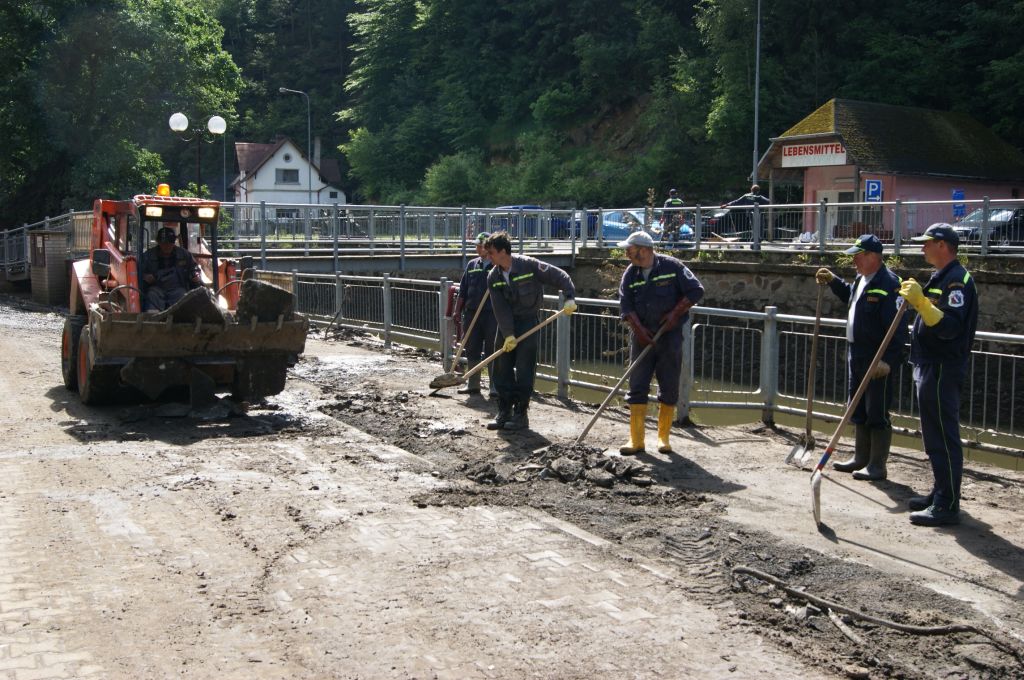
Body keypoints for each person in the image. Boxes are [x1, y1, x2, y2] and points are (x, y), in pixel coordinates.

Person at [900, 223, 978, 527]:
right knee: (933, 434)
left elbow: (950, 327)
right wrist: (918, 303)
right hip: (930, 363)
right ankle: (941, 491)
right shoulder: (942, 277)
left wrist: (921, 303)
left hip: (944, 365)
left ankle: (948, 504)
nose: (922, 248)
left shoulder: (957, 281)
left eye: (927, 243)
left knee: (944, 435)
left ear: (943, 245)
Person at [815, 234, 906, 480]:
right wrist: (833, 281)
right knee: (857, 406)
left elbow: (898, 328)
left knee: (877, 409)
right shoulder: (861, 278)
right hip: (857, 353)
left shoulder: (890, 284)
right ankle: (861, 458)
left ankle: (877, 465)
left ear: (873, 256)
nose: (854, 260)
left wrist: (888, 360)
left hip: (877, 356)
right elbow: (851, 298)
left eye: (858, 255)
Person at [617, 231, 704, 455]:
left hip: (669, 336)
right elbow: (625, 305)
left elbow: (696, 291)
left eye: (630, 249)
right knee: (637, 384)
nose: (626, 253)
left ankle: (663, 438)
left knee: (669, 384)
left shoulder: (672, 267)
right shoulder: (630, 274)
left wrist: (676, 313)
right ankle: (636, 440)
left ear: (644, 250)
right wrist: (639, 330)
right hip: (642, 337)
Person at [483, 231, 577, 431]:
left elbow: (560, 276)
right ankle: (504, 411)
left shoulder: (529, 265)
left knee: (525, 369)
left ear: (502, 251)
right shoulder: (493, 276)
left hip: (528, 322)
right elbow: (500, 308)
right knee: (502, 367)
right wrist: (508, 334)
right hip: (507, 324)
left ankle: (520, 415)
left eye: (490, 252)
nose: (487, 257)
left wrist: (569, 297)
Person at [453, 232, 497, 396]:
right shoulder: (472, 265)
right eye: (476, 246)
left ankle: (494, 386)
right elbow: (463, 290)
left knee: (493, 348)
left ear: (488, 248)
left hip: (492, 314)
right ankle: (473, 384)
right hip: (471, 314)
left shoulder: (496, 266)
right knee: (472, 348)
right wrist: (457, 310)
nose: (477, 248)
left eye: (480, 246)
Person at [140, 226, 201, 311]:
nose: (167, 246)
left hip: (177, 288)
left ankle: (181, 322)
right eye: (164, 243)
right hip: (157, 288)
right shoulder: (148, 256)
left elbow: (194, 268)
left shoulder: (184, 254)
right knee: (151, 295)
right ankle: (152, 321)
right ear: (158, 242)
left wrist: (195, 275)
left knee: (183, 296)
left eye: (170, 243)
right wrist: (144, 276)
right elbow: (138, 271)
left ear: (174, 242)